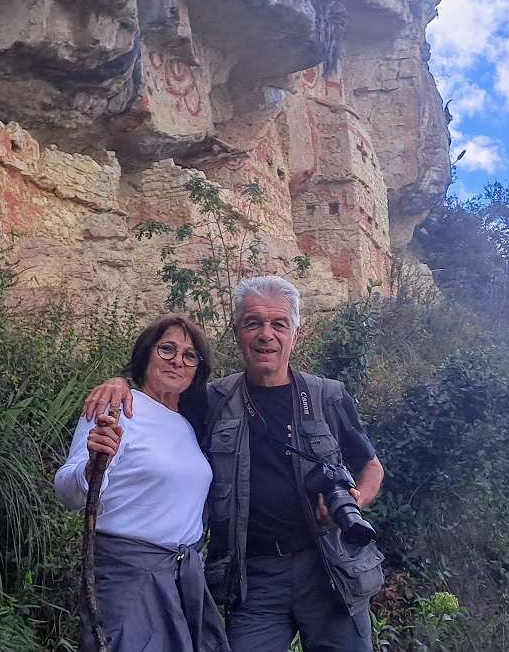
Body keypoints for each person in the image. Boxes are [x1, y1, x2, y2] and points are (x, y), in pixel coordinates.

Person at [83, 276, 386, 652]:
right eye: (253, 322)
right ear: (238, 332)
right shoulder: (213, 400)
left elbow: (371, 466)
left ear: (296, 333)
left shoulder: (328, 395)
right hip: (252, 578)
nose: (266, 335)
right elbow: (161, 397)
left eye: (279, 324)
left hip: (329, 567)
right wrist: (117, 383)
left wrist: (355, 499)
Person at [55, 316, 230, 652]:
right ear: (146, 354)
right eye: (167, 349)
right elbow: (68, 491)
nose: (178, 360)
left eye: (190, 355)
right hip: (128, 577)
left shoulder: (190, 424)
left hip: (183, 579)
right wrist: (92, 466)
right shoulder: (117, 408)